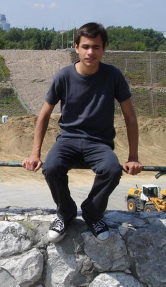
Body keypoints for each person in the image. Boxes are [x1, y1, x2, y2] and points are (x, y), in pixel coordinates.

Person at [22, 22, 142, 243]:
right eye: (85, 46)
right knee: (52, 167)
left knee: (112, 169)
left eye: (96, 47)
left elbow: (130, 116)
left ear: (104, 48)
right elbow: (44, 115)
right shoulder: (63, 76)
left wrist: (133, 157)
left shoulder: (113, 76)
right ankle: (66, 212)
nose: (90, 52)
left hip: (99, 143)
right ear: (76, 47)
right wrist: (35, 154)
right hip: (68, 140)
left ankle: (92, 212)